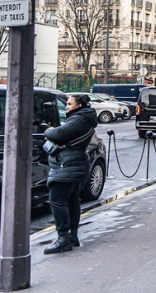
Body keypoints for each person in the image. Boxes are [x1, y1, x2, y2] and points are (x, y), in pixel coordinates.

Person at [43, 94, 97, 254]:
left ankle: (63, 239)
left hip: (67, 165)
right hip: (74, 163)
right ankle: (72, 237)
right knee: (72, 201)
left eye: (69, 104)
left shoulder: (79, 119)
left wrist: (49, 130)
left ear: (79, 105)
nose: (66, 107)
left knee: (57, 201)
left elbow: (58, 134)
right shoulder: (84, 118)